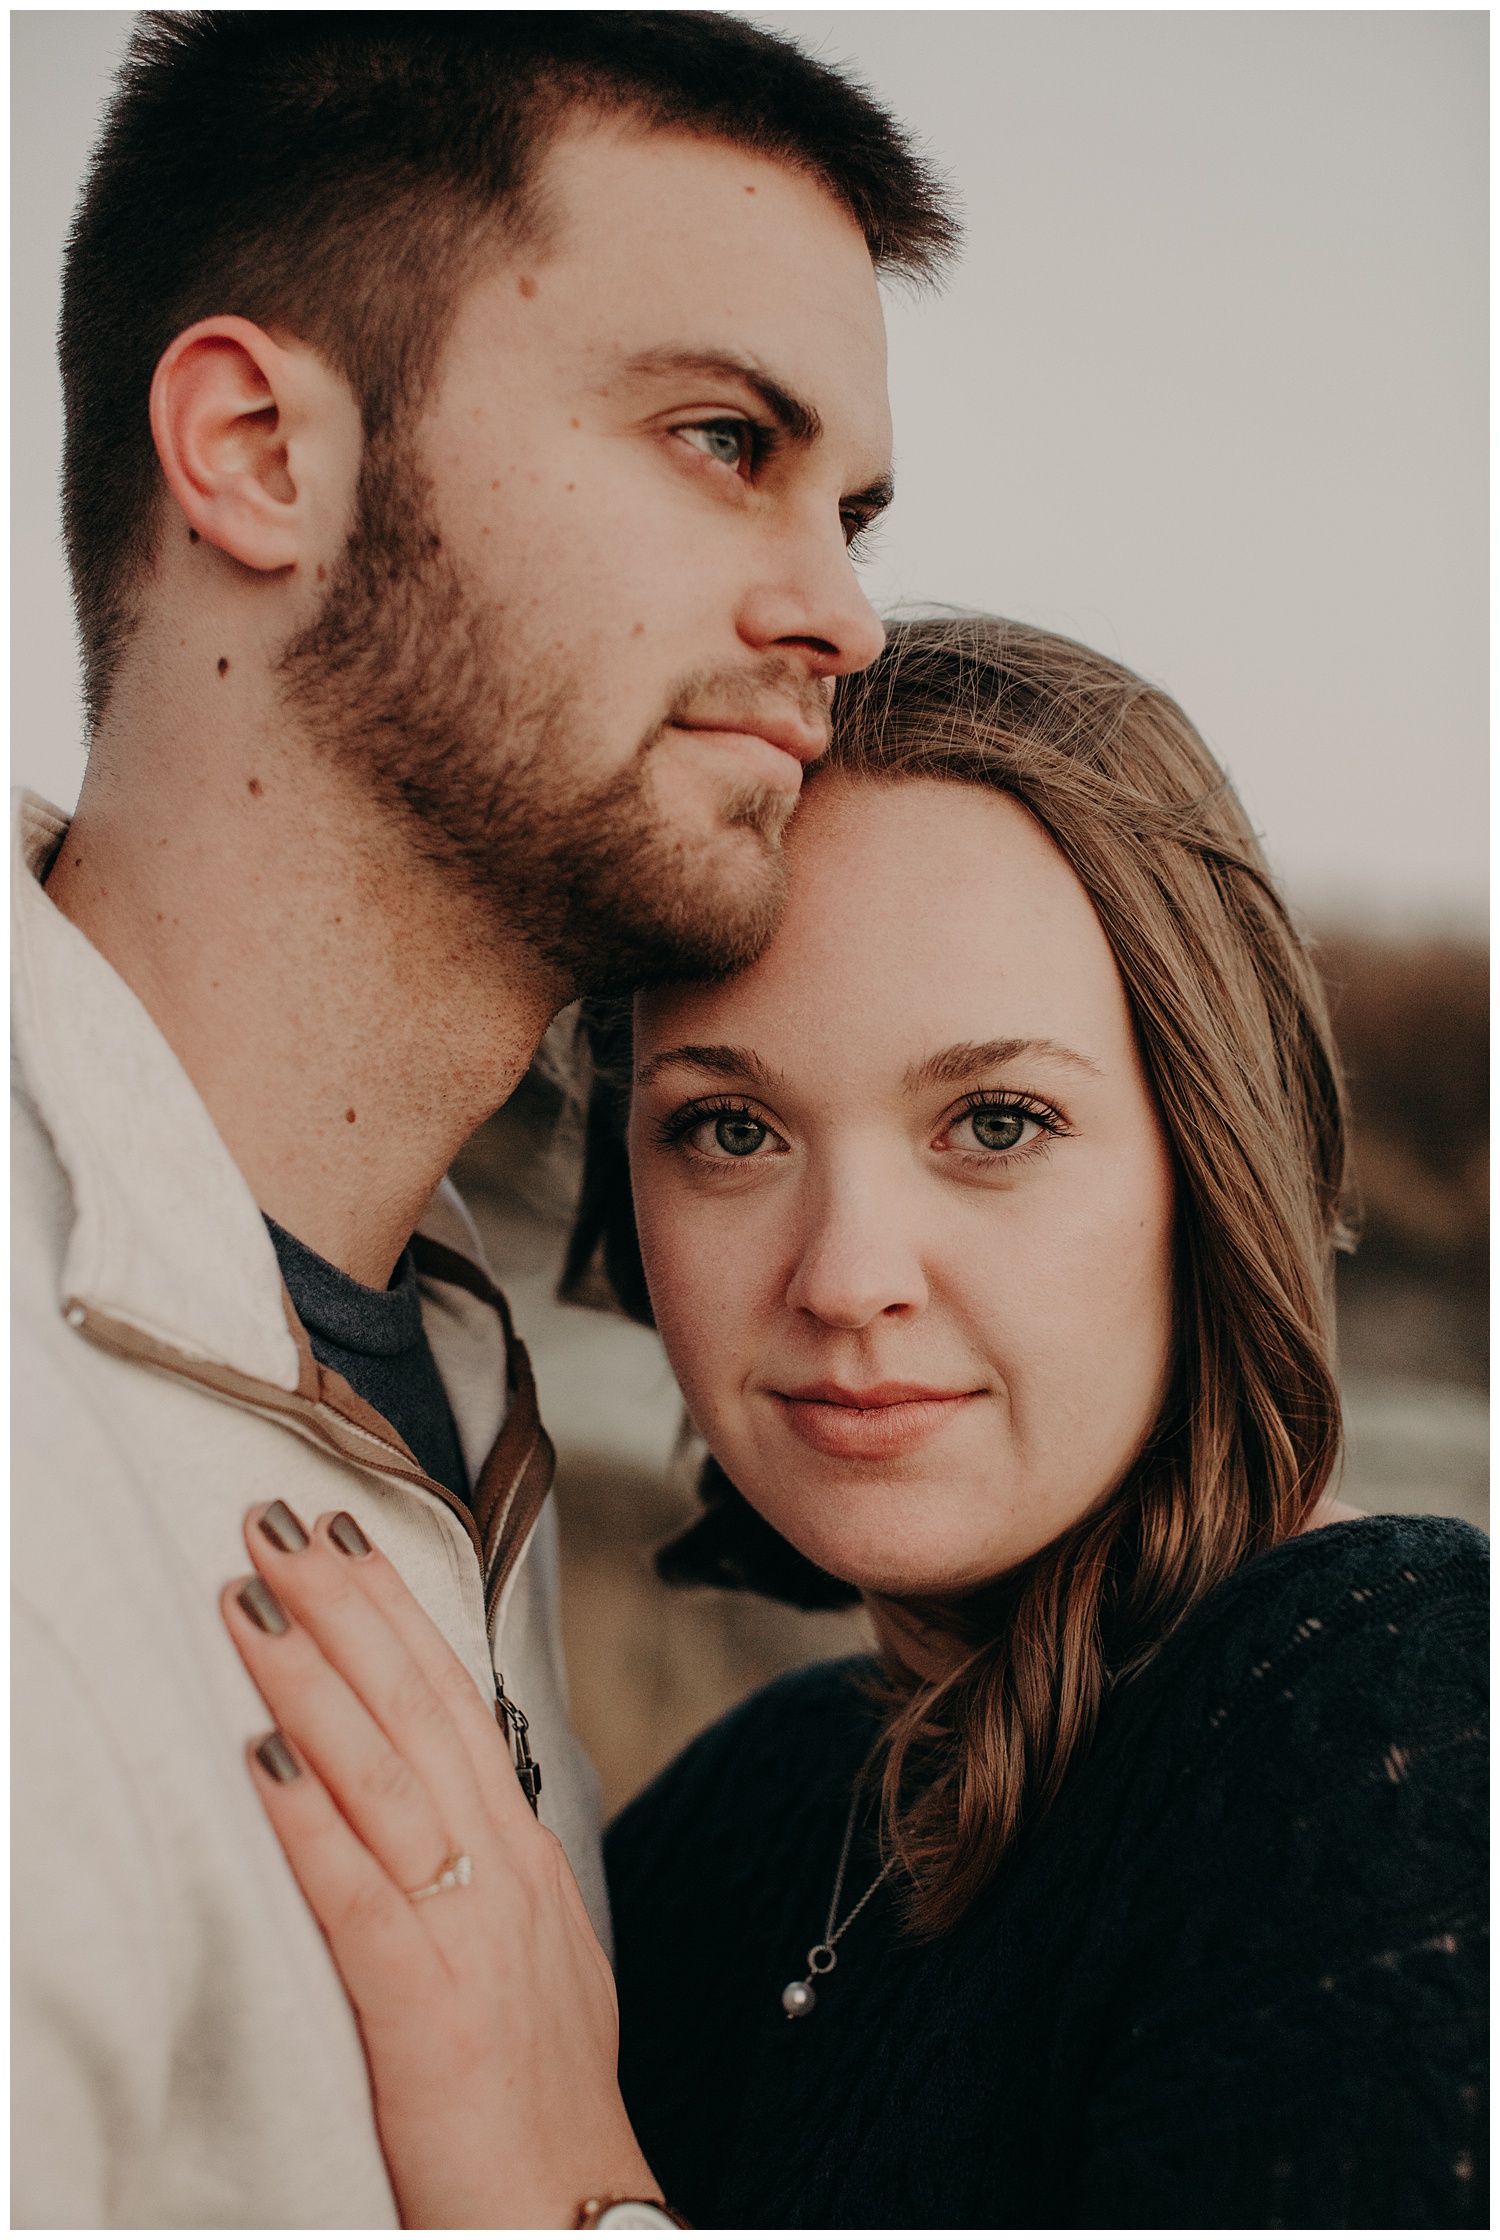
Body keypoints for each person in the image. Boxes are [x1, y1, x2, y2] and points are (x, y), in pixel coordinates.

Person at [11, 14, 959, 2227]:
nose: (841, 608)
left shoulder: (429, 1368)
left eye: (856, 509)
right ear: (258, 450)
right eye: (726, 440)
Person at [219, 616, 1487, 2229]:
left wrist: (558, 2192)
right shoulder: (761, 1818)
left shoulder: (1396, 1722)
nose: (846, 1276)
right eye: (732, 1128)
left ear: (1208, 1158)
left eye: (996, 1121)